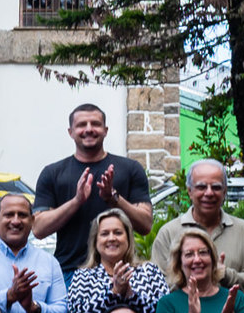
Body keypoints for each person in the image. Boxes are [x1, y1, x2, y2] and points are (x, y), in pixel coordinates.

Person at [32, 104, 154, 281]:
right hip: (70, 271)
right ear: (70, 132)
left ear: (105, 130)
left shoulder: (130, 169)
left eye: (95, 124)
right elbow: (39, 229)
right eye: (82, 125)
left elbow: (145, 225)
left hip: (120, 270)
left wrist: (114, 199)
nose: (89, 129)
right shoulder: (53, 173)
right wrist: (76, 201)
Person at [148, 161, 244, 299]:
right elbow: (157, 286)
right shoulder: (169, 233)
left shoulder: (243, 230)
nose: (209, 193)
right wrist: (189, 277)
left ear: (224, 192)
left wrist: (226, 275)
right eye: (201, 187)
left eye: (216, 187)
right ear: (189, 191)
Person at [66, 210, 168, 313]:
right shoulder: (83, 275)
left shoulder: (149, 271)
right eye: (105, 233)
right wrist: (113, 293)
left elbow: (162, 312)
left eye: (118, 233)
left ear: (128, 238)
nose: (111, 238)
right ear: (95, 241)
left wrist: (131, 295)